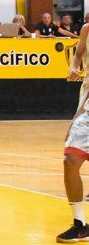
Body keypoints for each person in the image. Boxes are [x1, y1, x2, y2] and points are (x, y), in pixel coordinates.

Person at [58, 22, 89, 242]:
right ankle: (80, 224)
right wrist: (73, 66)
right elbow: (78, 55)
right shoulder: (87, 29)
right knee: (71, 160)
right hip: (87, 97)